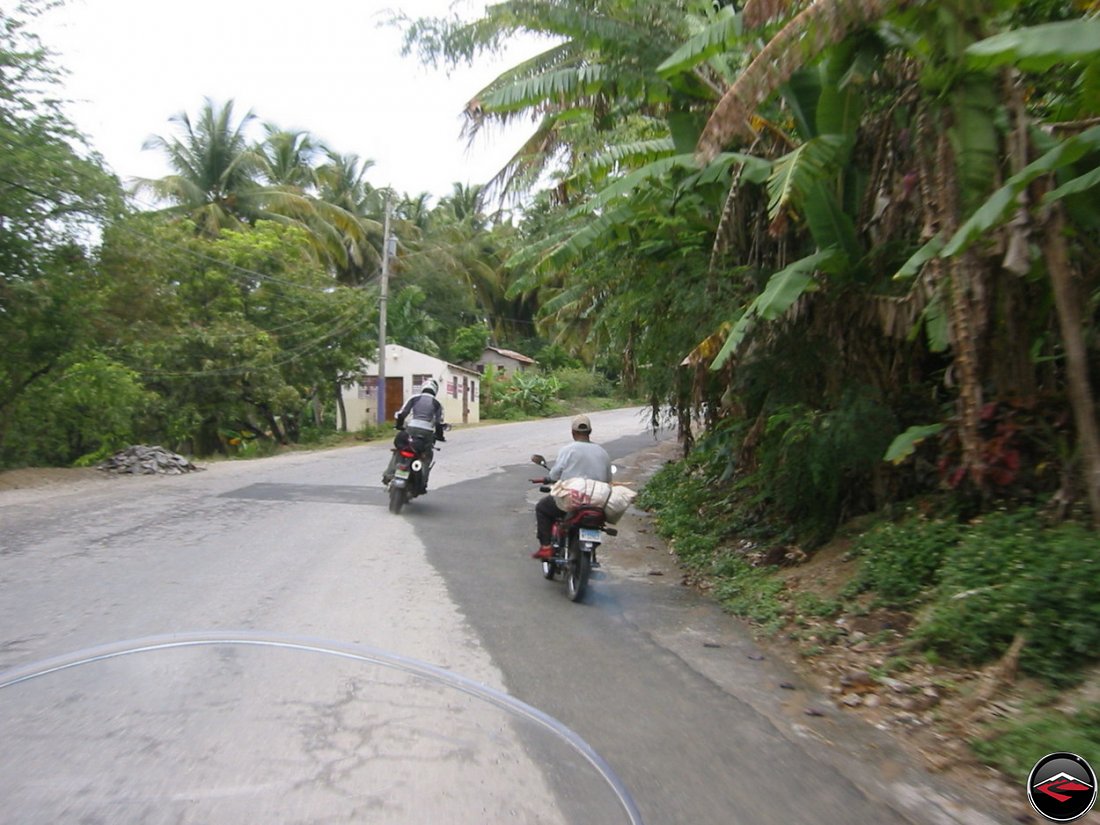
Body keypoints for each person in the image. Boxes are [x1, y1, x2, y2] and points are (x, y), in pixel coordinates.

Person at [530, 414, 612, 560]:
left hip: (573, 499)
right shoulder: (603, 452)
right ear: (590, 432)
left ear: (573, 433)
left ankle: (546, 547)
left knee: (542, 508)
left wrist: (550, 479)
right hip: (596, 501)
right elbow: (607, 480)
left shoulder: (568, 450)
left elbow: (555, 475)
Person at [382, 378, 446, 487]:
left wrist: (399, 425)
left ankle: (388, 474)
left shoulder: (414, 398)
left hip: (411, 429)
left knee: (400, 450)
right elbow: (438, 423)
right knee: (426, 455)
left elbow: (401, 414)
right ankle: (422, 482)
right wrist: (440, 436)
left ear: (423, 388)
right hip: (427, 433)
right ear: (435, 390)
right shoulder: (437, 404)